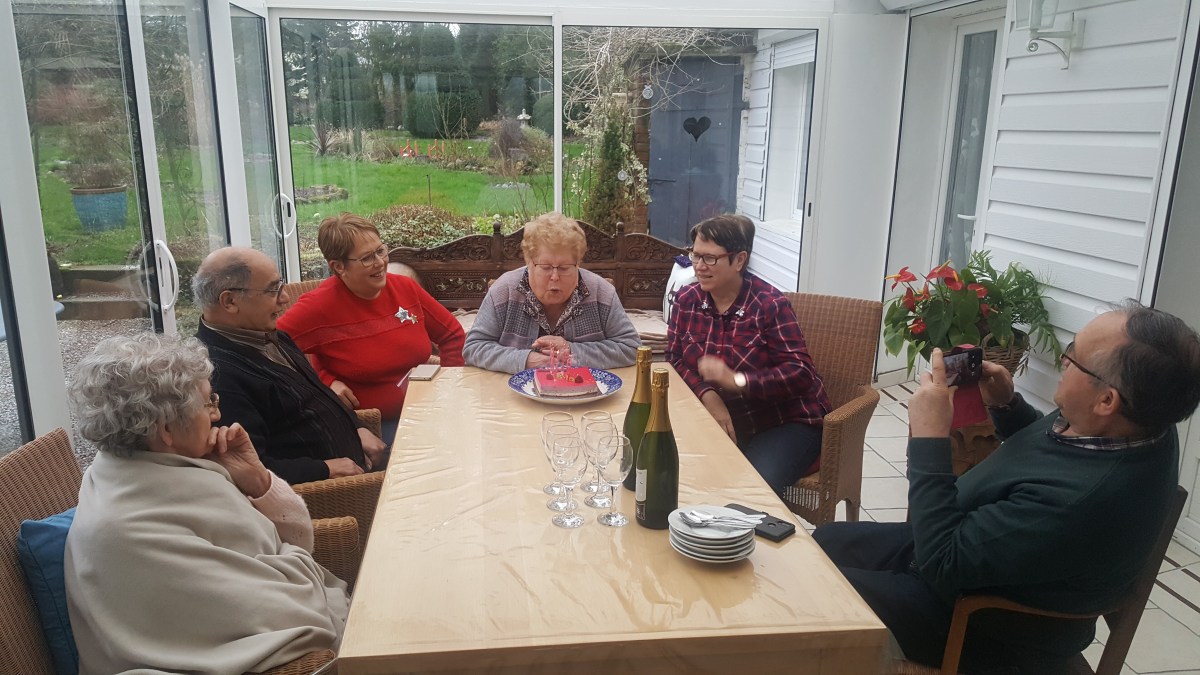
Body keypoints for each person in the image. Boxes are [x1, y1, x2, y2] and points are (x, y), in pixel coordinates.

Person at [813, 302, 1200, 672]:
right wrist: (1007, 405)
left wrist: (929, 437)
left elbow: (944, 562)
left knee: (814, 591)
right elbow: (1055, 456)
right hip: (971, 552)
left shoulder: (1079, 499)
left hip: (977, 620)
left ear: (1106, 400)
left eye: (1073, 356)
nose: (1063, 361)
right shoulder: (1139, 424)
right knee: (823, 542)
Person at [64, 333, 350, 673]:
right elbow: (287, 608)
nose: (216, 414)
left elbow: (296, 543)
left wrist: (257, 479)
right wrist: (297, 569)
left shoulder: (147, 467)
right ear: (167, 429)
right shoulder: (131, 522)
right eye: (208, 402)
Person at [192, 246, 387, 484]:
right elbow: (249, 469)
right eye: (273, 290)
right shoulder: (217, 374)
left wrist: (357, 427)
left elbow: (318, 395)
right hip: (334, 493)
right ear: (230, 301)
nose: (284, 298)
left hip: (361, 465)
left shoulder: (271, 336)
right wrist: (323, 470)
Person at [666, 214, 831, 492]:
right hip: (721, 416)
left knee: (751, 490)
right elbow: (675, 358)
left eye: (710, 259)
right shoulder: (687, 300)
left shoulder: (770, 305)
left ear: (739, 260)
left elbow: (800, 373)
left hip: (783, 421)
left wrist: (738, 381)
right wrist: (709, 395)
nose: (699, 267)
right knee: (677, 474)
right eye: (695, 256)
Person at [277, 213, 465, 444]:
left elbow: (453, 335)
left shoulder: (404, 288)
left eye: (381, 250)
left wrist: (450, 389)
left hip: (425, 410)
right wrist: (323, 382)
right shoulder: (318, 307)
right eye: (367, 258)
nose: (380, 263)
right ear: (338, 266)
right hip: (369, 428)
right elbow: (269, 350)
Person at [463, 212, 639, 374]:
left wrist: (572, 351)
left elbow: (632, 348)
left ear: (578, 264)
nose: (555, 277)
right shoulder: (503, 291)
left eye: (564, 268)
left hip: (583, 399)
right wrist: (524, 360)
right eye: (545, 267)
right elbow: (474, 347)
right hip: (513, 400)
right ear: (529, 263)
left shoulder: (602, 293)